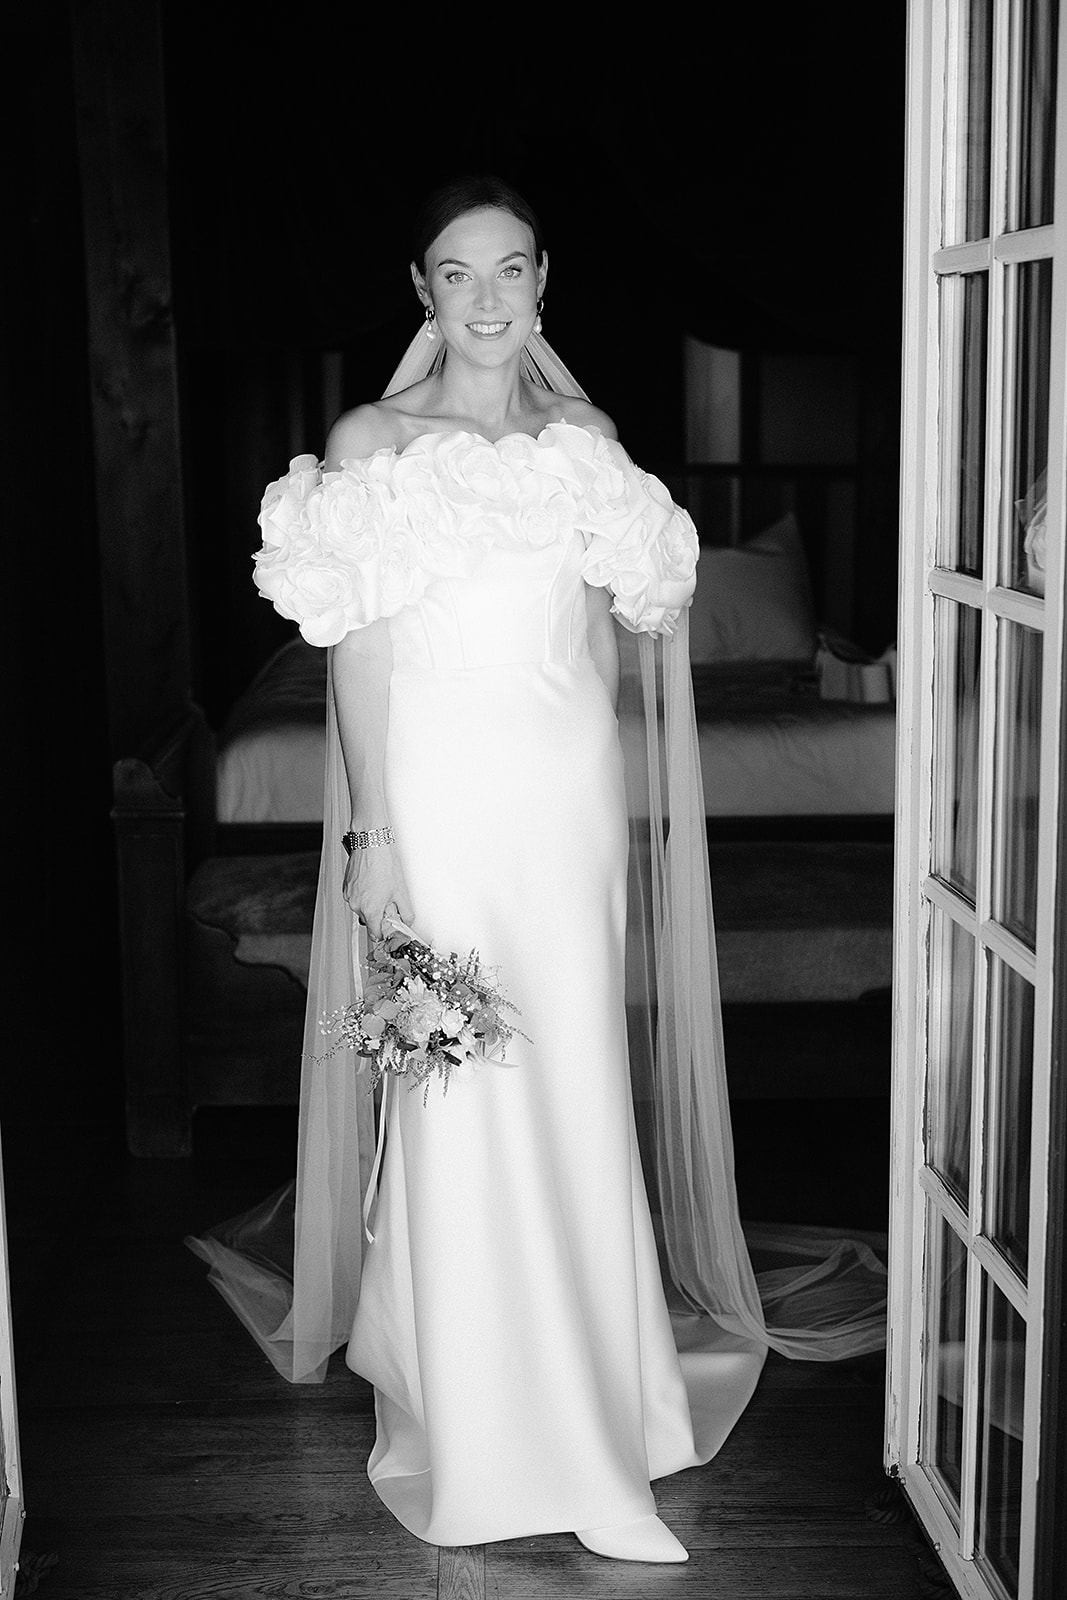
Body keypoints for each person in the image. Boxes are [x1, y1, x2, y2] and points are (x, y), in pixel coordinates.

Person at [190, 173, 887, 1564]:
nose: (491, 299)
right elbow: (362, 657)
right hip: (443, 800)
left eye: (512, 270)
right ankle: (489, 1416)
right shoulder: (374, 439)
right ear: (422, 291)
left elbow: (623, 622)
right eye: (460, 273)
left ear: (546, 278)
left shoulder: (587, 441)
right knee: (458, 1082)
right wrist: (373, 834)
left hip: (568, 803)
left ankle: (600, 1392)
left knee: (567, 1081)